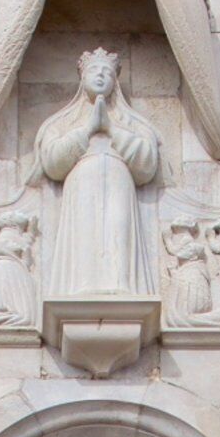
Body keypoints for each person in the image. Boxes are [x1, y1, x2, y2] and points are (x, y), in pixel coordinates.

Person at [29, 47, 165, 300]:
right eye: (94, 70)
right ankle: (81, 287)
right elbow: (52, 162)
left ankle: (122, 286)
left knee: (118, 231)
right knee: (85, 235)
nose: (100, 76)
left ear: (115, 82)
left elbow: (146, 165)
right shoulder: (62, 122)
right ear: (82, 77)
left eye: (107, 72)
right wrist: (88, 129)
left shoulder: (133, 122)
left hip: (119, 182)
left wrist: (111, 129)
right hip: (81, 183)